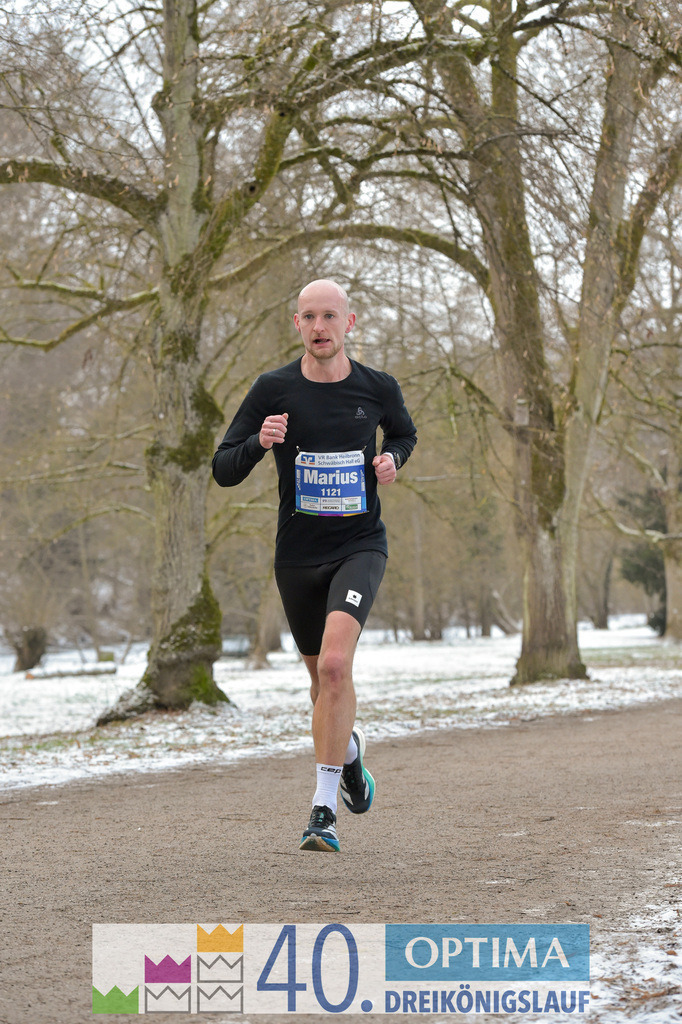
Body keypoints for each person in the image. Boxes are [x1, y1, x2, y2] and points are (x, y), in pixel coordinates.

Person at [212, 279, 417, 852]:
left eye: (330, 316)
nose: (319, 327)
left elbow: (404, 433)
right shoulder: (273, 389)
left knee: (333, 666)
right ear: (296, 324)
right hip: (298, 557)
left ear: (349, 323)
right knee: (321, 685)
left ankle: (322, 811)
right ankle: (347, 756)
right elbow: (223, 469)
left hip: (359, 545)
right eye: (309, 317)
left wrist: (391, 458)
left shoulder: (378, 387)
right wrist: (258, 442)